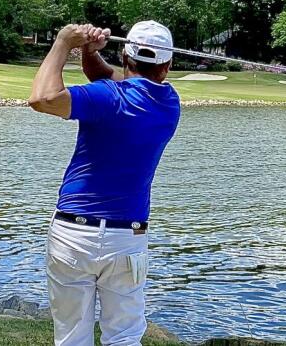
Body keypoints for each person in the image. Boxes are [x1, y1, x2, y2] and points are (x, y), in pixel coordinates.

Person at [28, 20, 181, 346]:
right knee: (124, 339)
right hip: (127, 238)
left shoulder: (106, 98)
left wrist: (63, 42)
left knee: (72, 338)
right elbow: (107, 78)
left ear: (125, 57)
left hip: (72, 235)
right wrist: (88, 51)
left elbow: (42, 98)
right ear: (167, 67)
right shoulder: (169, 104)